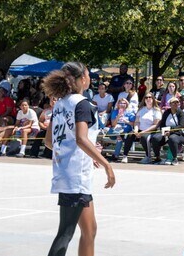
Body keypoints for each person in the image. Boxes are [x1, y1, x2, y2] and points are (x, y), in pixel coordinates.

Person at [43, 62, 115, 256]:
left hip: (68, 173)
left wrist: (87, 153)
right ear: (82, 79)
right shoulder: (81, 104)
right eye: (88, 74)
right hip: (75, 177)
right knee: (65, 233)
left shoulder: (60, 104)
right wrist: (107, 164)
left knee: (90, 230)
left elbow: (49, 142)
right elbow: (81, 139)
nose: (90, 78)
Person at [151, 96, 184, 165]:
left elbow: (181, 125)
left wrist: (170, 131)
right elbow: (162, 124)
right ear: (170, 104)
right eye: (174, 103)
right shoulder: (166, 112)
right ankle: (157, 157)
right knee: (155, 138)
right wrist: (164, 132)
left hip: (178, 134)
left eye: (177, 102)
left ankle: (175, 158)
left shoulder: (181, 113)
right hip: (165, 133)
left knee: (172, 138)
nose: (176, 104)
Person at [131, 93, 162, 164]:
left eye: (150, 97)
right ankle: (124, 155)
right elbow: (137, 122)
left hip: (152, 131)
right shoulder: (141, 109)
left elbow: (156, 125)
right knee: (129, 136)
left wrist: (144, 131)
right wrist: (136, 130)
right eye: (146, 97)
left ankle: (148, 156)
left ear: (153, 99)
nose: (148, 99)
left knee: (145, 137)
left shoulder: (156, 110)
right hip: (140, 130)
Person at [108, 97, 136, 163]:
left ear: (126, 104)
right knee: (115, 132)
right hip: (115, 132)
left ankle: (116, 155)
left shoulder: (130, 113)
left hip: (125, 132)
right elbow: (113, 124)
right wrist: (118, 117)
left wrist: (126, 121)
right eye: (120, 103)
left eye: (124, 103)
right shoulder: (115, 112)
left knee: (119, 138)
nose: (122, 104)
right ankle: (117, 154)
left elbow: (133, 124)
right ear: (118, 104)